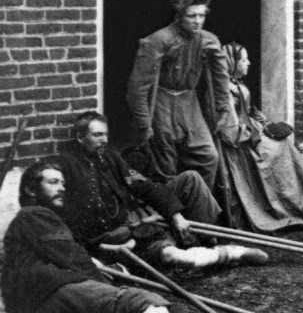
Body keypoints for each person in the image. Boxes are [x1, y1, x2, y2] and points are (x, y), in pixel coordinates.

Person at [1, 161, 256, 313]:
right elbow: (73, 258)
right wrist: (113, 290)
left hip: (46, 299)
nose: (62, 188)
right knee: (138, 302)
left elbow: (77, 252)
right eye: (53, 182)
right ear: (31, 189)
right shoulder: (34, 214)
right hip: (48, 292)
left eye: (63, 183)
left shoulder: (42, 219)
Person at [52, 111, 268, 269]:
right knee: (166, 252)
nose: (104, 140)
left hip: (133, 213)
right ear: (80, 138)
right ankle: (206, 251)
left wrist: (174, 213)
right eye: (97, 135)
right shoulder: (66, 166)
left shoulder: (110, 157)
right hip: (117, 230)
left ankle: (211, 239)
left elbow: (142, 185)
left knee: (191, 178)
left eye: (105, 134)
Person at [219, 42, 303, 232]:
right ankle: (285, 205)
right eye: (243, 60)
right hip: (240, 142)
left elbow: (250, 110)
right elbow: (230, 127)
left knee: (284, 143)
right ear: (231, 63)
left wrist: (266, 123)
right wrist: (254, 134)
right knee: (276, 151)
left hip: (251, 131)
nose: (249, 63)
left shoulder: (237, 83)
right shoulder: (224, 89)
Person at [126, 0, 231, 188]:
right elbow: (137, 87)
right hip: (161, 100)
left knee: (208, 156)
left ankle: (197, 204)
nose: (198, 21)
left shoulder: (209, 40)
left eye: (201, 15)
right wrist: (143, 123)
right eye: (192, 16)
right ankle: (172, 212)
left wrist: (223, 110)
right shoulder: (158, 40)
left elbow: (221, 78)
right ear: (179, 15)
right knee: (166, 163)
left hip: (188, 101)